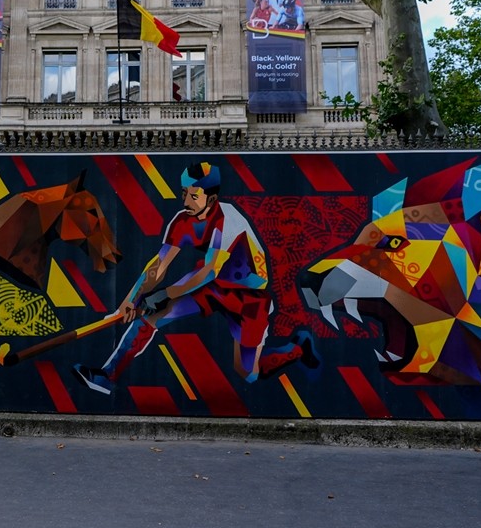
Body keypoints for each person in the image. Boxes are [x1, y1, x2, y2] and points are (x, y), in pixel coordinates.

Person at [74, 162, 313, 394]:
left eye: (194, 196)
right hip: (212, 287)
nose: (186, 201)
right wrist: (130, 300)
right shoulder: (181, 220)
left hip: (249, 297)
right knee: (149, 317)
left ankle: (298, 350)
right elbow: (158, 266)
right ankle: (108, 376)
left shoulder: (228, 220)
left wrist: (164, 294)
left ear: (211, 198)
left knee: (247, 371)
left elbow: (210, 270)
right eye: (184, 193)